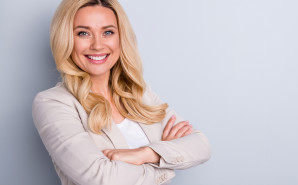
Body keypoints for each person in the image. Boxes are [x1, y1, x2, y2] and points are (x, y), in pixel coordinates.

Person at [32, 0, 211, 184]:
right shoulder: (52, 103)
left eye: (107, 32)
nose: (97, 45)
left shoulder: (137, 91)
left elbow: (201, 146)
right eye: (83, 33)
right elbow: (103, 178)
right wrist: (165, 160)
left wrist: (144, 154)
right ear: (66, 39)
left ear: (120, 37)